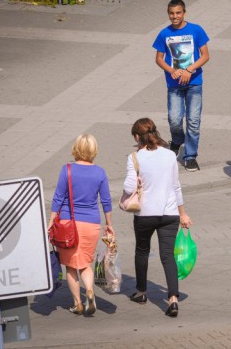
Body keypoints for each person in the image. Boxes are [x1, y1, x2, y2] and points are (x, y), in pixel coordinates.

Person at [123, 118, 193, 317]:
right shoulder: (170, 155)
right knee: (167, 255)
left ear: (137, 137)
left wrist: (135, 181)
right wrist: (183, 213)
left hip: (145, 214)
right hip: (169, 213)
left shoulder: (135, 157)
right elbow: (176, 186)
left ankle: (141, 292)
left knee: (142, 251)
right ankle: (172, 299)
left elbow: (129, 188)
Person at [48, 134, 114, 315]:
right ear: (94, 150)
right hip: (91, 224)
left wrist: (52, 220)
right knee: (85, 263)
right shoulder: (100, 172)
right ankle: (90, 292)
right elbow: (106, 201)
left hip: (69, 225)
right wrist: (109, 224)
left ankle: (77, 303)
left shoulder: (67, 169)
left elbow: (58, 198)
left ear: (76, 148)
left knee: (70, 265)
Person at [153, 0, 210, 172]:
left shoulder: (196, 30)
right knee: (175, 120)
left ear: (184, 13)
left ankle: (190, 155)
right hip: (174, 84)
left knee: (193, 121)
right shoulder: (164, 33)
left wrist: (190, 69)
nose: (175, 16)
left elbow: (205, 55)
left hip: (194, 82)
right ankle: (177, 140)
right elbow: (158, 58)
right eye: (171, 13)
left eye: (178, 13)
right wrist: (172, 71)